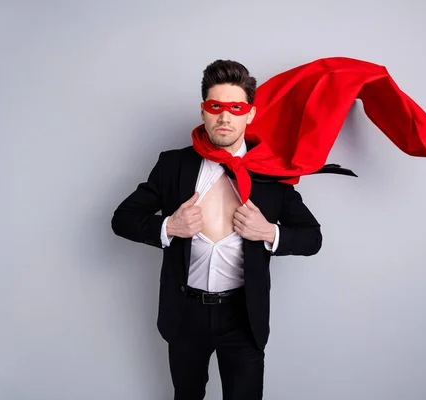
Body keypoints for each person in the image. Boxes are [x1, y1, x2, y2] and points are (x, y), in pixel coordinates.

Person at [111, 59, 323, 399]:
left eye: (235, 107)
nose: (225, 118)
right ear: (204, 111)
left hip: (243, 316)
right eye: (216, 107)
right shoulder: (172, 165)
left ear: (249, 114)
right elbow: (122, 219)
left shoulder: (271, 172)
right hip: (185, 314)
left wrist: (269, 232)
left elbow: (312, 237)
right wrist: (168, 226)